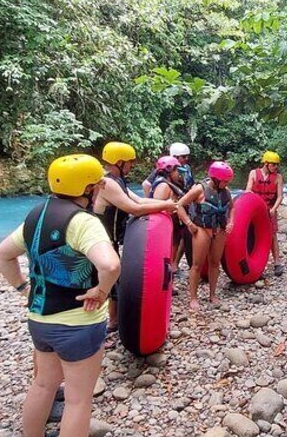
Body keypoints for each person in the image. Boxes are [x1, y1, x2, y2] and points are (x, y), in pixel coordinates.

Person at [0, 154, 120, 437]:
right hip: (77, 324)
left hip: (39, 320)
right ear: (89, 189)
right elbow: (110, 264)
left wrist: (23, 288)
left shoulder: (36, 213)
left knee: (43, 383)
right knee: (78, 401)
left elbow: (2, 254)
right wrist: (102, 291)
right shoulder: (83, 222)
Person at [93, 142, 175, 332]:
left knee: (115, 278)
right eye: (129, 162)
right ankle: (108, 322)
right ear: (120, 162)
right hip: (101, 241)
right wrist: (165, 206)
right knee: (108, 279)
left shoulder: (117, 181)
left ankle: (114, 320)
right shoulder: (108, 183)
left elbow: (139, 199)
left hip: (110, 240)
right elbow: (134, 209)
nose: (131, 166)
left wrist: (166, 203)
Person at [176, 161, 235, 312]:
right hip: (202, 230)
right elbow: (180, 205)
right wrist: (189, 223)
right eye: (225, 181)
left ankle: (212, 295)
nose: (227, 183)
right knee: (197, 265)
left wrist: (230, 222)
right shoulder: (199, 189)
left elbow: (231, 207)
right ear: (215, 178)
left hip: (219, 230)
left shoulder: (225, 191)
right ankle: (193, 298)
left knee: (215, 263)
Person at [142, 142, 195, 275]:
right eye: (183, 156)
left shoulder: (182, 172)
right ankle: (165, 274)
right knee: (168, 246)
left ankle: (172, 267)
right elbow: (158, 206)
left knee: (180, 238)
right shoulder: (163, 185)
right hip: (168, 220)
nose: (186, 159)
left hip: (178, 212)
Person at [246, 150, 285, 276]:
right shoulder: (253, 173)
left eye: (277, 165)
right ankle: (252, 262)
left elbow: (279, 196)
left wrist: (273, 209)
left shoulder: (278, 177)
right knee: (252, 235)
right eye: (274, 164)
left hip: (269, 210)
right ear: (266, 163)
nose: (276, 167)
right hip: (255, 211)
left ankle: (277, 262)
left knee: (272, 235)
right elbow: (248, 191)